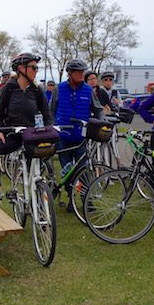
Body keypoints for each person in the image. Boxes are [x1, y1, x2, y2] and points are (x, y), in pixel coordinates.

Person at [0, 53, 52, 200]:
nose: (36, 70)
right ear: (21, 69)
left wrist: (49, 129)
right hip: (13, 134)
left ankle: (40, 192)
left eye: (37, 68)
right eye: (33, 67)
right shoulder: (8, 89)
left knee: (40, 165)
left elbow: (47, 114)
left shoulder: (37, 90)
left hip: (32, 135)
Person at [50, 59, 94, 211]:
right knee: (68, 171)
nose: (82, 74)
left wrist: (101, 121)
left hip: (81, 137)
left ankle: (87, 200)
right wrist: (52, 128)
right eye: (78, 72)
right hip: (63, 137)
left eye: (83, 71)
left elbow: (98, 109)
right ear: (70, 73)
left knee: (83, 170)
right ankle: (70, 200)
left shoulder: (88, 90)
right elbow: (51, 110)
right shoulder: (59, 89)